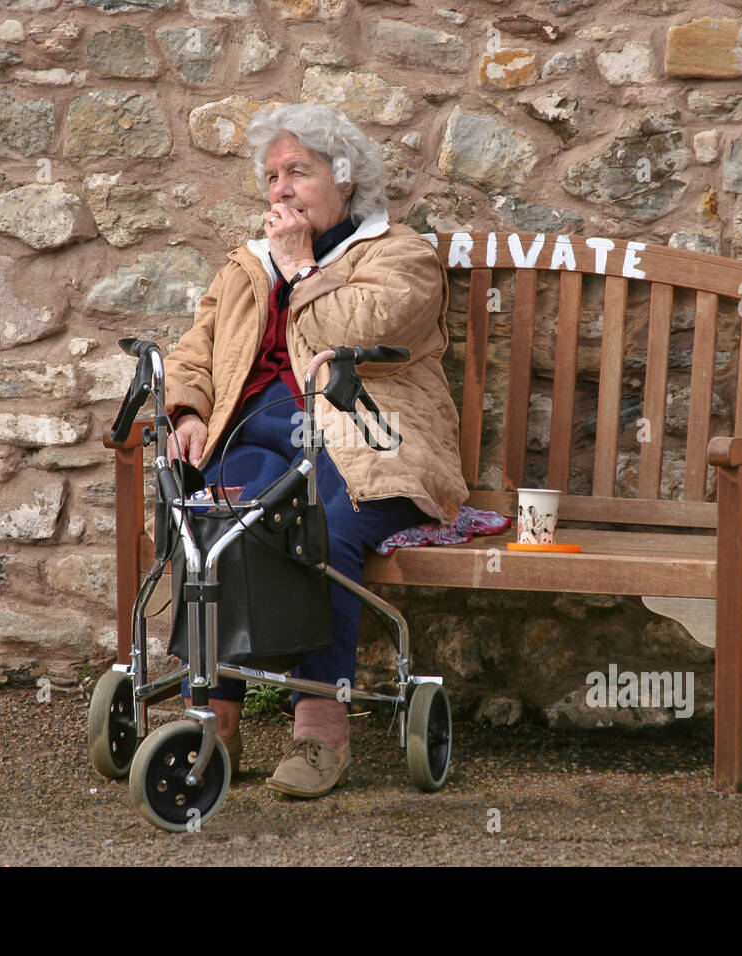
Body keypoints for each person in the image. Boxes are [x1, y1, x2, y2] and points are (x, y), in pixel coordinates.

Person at [162, 103, 468, 798]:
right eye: (272, 176)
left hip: (365, 439)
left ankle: (321, 734)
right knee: (215, 525)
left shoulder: (401, 255)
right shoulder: (245, 267)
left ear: (347, 179)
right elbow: (195, 352)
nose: (280, 189)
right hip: (256, 432)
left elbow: (365, 326)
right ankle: (210, 725)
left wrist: (303, 268)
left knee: (318, 530)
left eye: (297, 171)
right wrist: (188, 410)